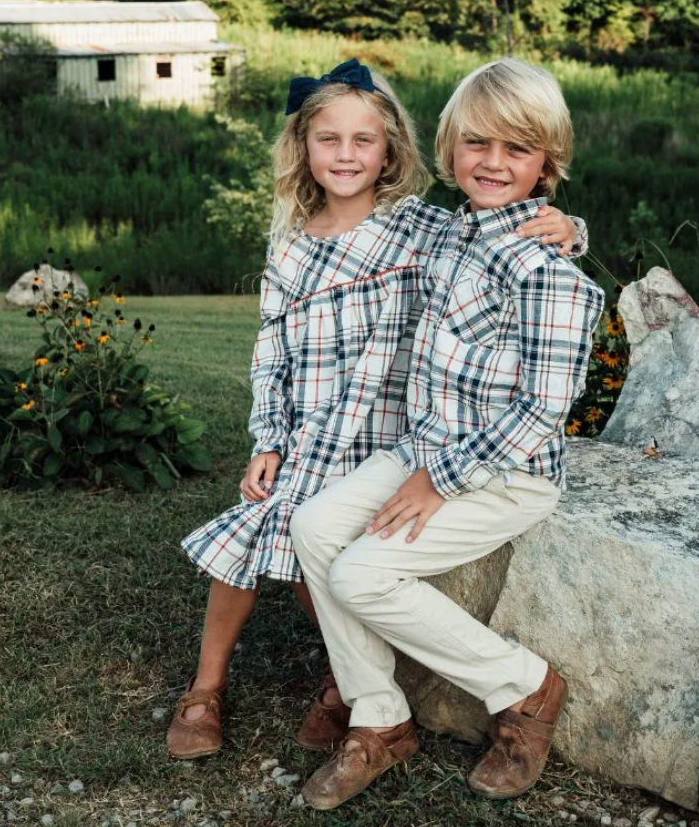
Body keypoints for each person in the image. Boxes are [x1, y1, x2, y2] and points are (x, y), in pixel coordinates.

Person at [167, 60, 584, 759]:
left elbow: (516, 240)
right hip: (317, 428)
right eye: (328, 140)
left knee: (327, 557)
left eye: (364, 141)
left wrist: (570, 228)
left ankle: (350, 685)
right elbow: (270, 351)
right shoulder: (293, 245)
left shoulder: (417, 227)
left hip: (388, 429)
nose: (347, 155)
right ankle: (215, 687)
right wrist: (269, 437)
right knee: (267, 523)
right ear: (302, 147)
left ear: (390, 150)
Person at [289, 58, 605, 809]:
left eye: (517, 150)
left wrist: (439, 482)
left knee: (362, 574)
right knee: (313, 527)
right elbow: (359, 202)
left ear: (547, 164)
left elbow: (539, 413)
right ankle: (382, 718)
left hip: (504, 474)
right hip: (422, 446)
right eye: (476, 145)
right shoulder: (448, 228)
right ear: (449, 149)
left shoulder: (551, 275)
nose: (493, 164)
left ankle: (525, 688)